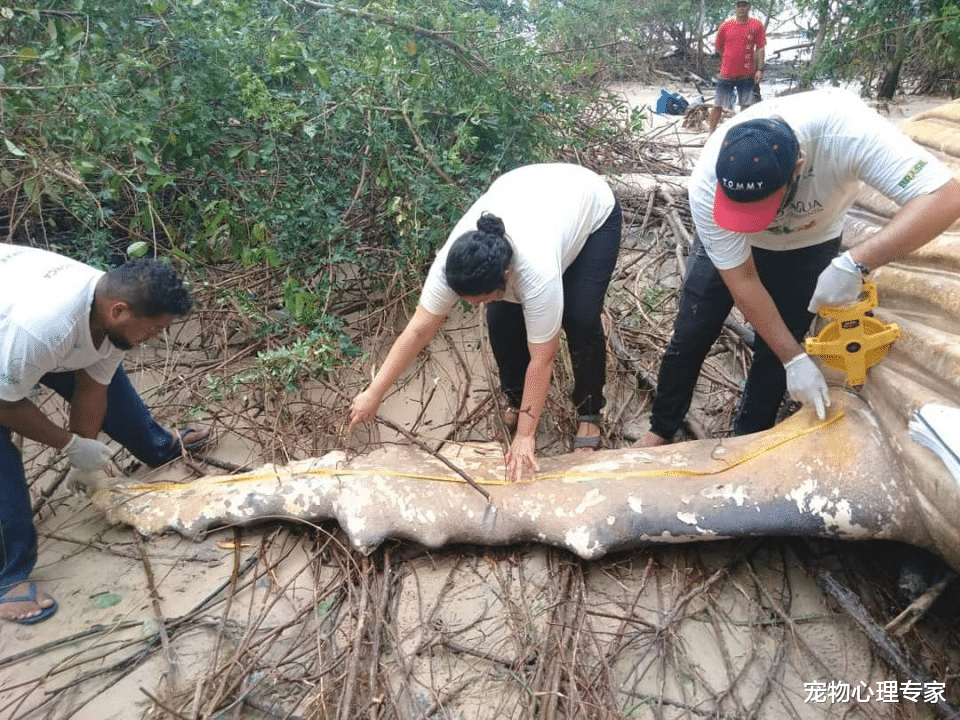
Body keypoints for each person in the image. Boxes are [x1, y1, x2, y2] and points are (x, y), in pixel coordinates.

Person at [639, 88, 960, 448]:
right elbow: (742, 278)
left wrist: (856, 263)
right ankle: (661, 428)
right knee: (692, 332)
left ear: (798, 167)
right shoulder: (707, 180)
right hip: (732, 249)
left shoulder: (848, 134)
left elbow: (945, 198)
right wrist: (795, 360)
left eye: (762, 208)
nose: (756, 222)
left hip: (809, 243)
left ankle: (751, 438)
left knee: (780, 342)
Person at [350, 163, 621, 482]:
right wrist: (373, 392)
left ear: (506, 276)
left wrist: (525, 436)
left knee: (580, 316)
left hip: (591, 211)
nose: (469, 306)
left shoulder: (537, 273)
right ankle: (517, 399)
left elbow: (542, 359)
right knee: (501, 322)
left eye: (477, 298)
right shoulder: (455, 260)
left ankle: (589, 411)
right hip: (532, 192)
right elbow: (419, 329)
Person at [0, 245, 209, 623]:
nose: (156, 336)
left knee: (112, 387)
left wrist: (86, 454)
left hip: (21, 325)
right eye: (155, 328)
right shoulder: (43, 327)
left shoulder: (113, 315)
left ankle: (158, 447)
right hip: (13, 333)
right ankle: (7, 580)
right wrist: (70, 444)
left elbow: (93, 388)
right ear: (119, 312)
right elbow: (6, 405)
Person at [708, 0, 766, 135]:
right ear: (735, 7)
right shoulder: (726, 25)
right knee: (718, 105)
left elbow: (760, 47)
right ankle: (711, 133)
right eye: (738, 6)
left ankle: (743, 133)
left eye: (744, 5)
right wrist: (729, 58)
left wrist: (760, 69)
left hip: (747, 73)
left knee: (746, 106)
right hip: (726, 73)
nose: (741, 9)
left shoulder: (756, 24)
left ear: (749, 7)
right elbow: (718, 47)